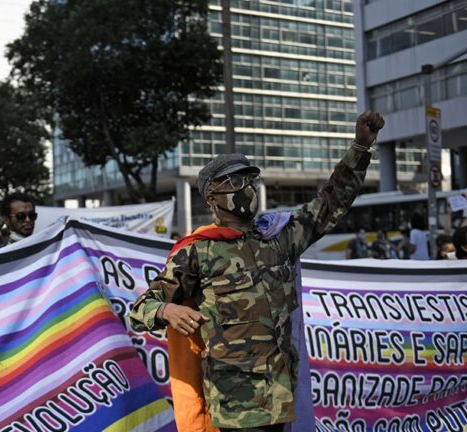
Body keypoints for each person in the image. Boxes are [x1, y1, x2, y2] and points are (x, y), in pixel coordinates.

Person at [129, 112, 385, 431]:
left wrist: (360, 148)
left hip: (280, 398)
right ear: (212, 196)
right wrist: (167, 309)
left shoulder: (279, 237)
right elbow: (139, 310)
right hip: (236, 407)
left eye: (251, 179)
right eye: (234, 182)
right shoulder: (197, 250)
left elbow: (330, 204)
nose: (246, 187)